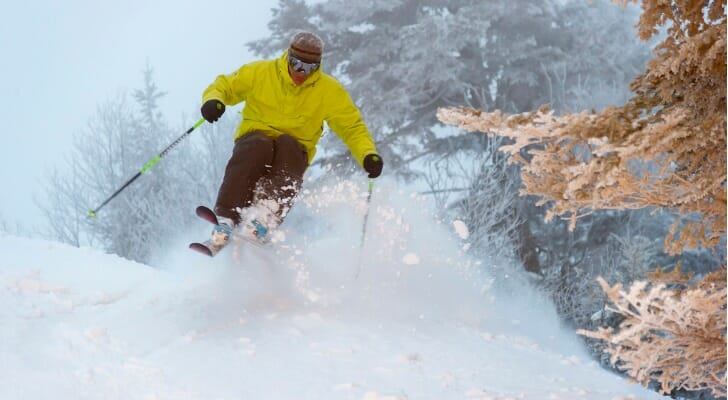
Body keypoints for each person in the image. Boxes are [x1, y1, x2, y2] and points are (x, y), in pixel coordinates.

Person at [199, 31, 383, 248]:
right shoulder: (261, 73)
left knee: (288, 147)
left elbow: (352, 127)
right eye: (296, 64)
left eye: (309, 68)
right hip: (256, 136)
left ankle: (264, 218)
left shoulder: (328, 91)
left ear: (318, 66)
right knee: (258, 145)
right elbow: (225, 86)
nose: (301, 73)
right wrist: (214, 101)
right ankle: (226, 218)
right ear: (288, 57)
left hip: (295, 147)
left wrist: (368, 154)